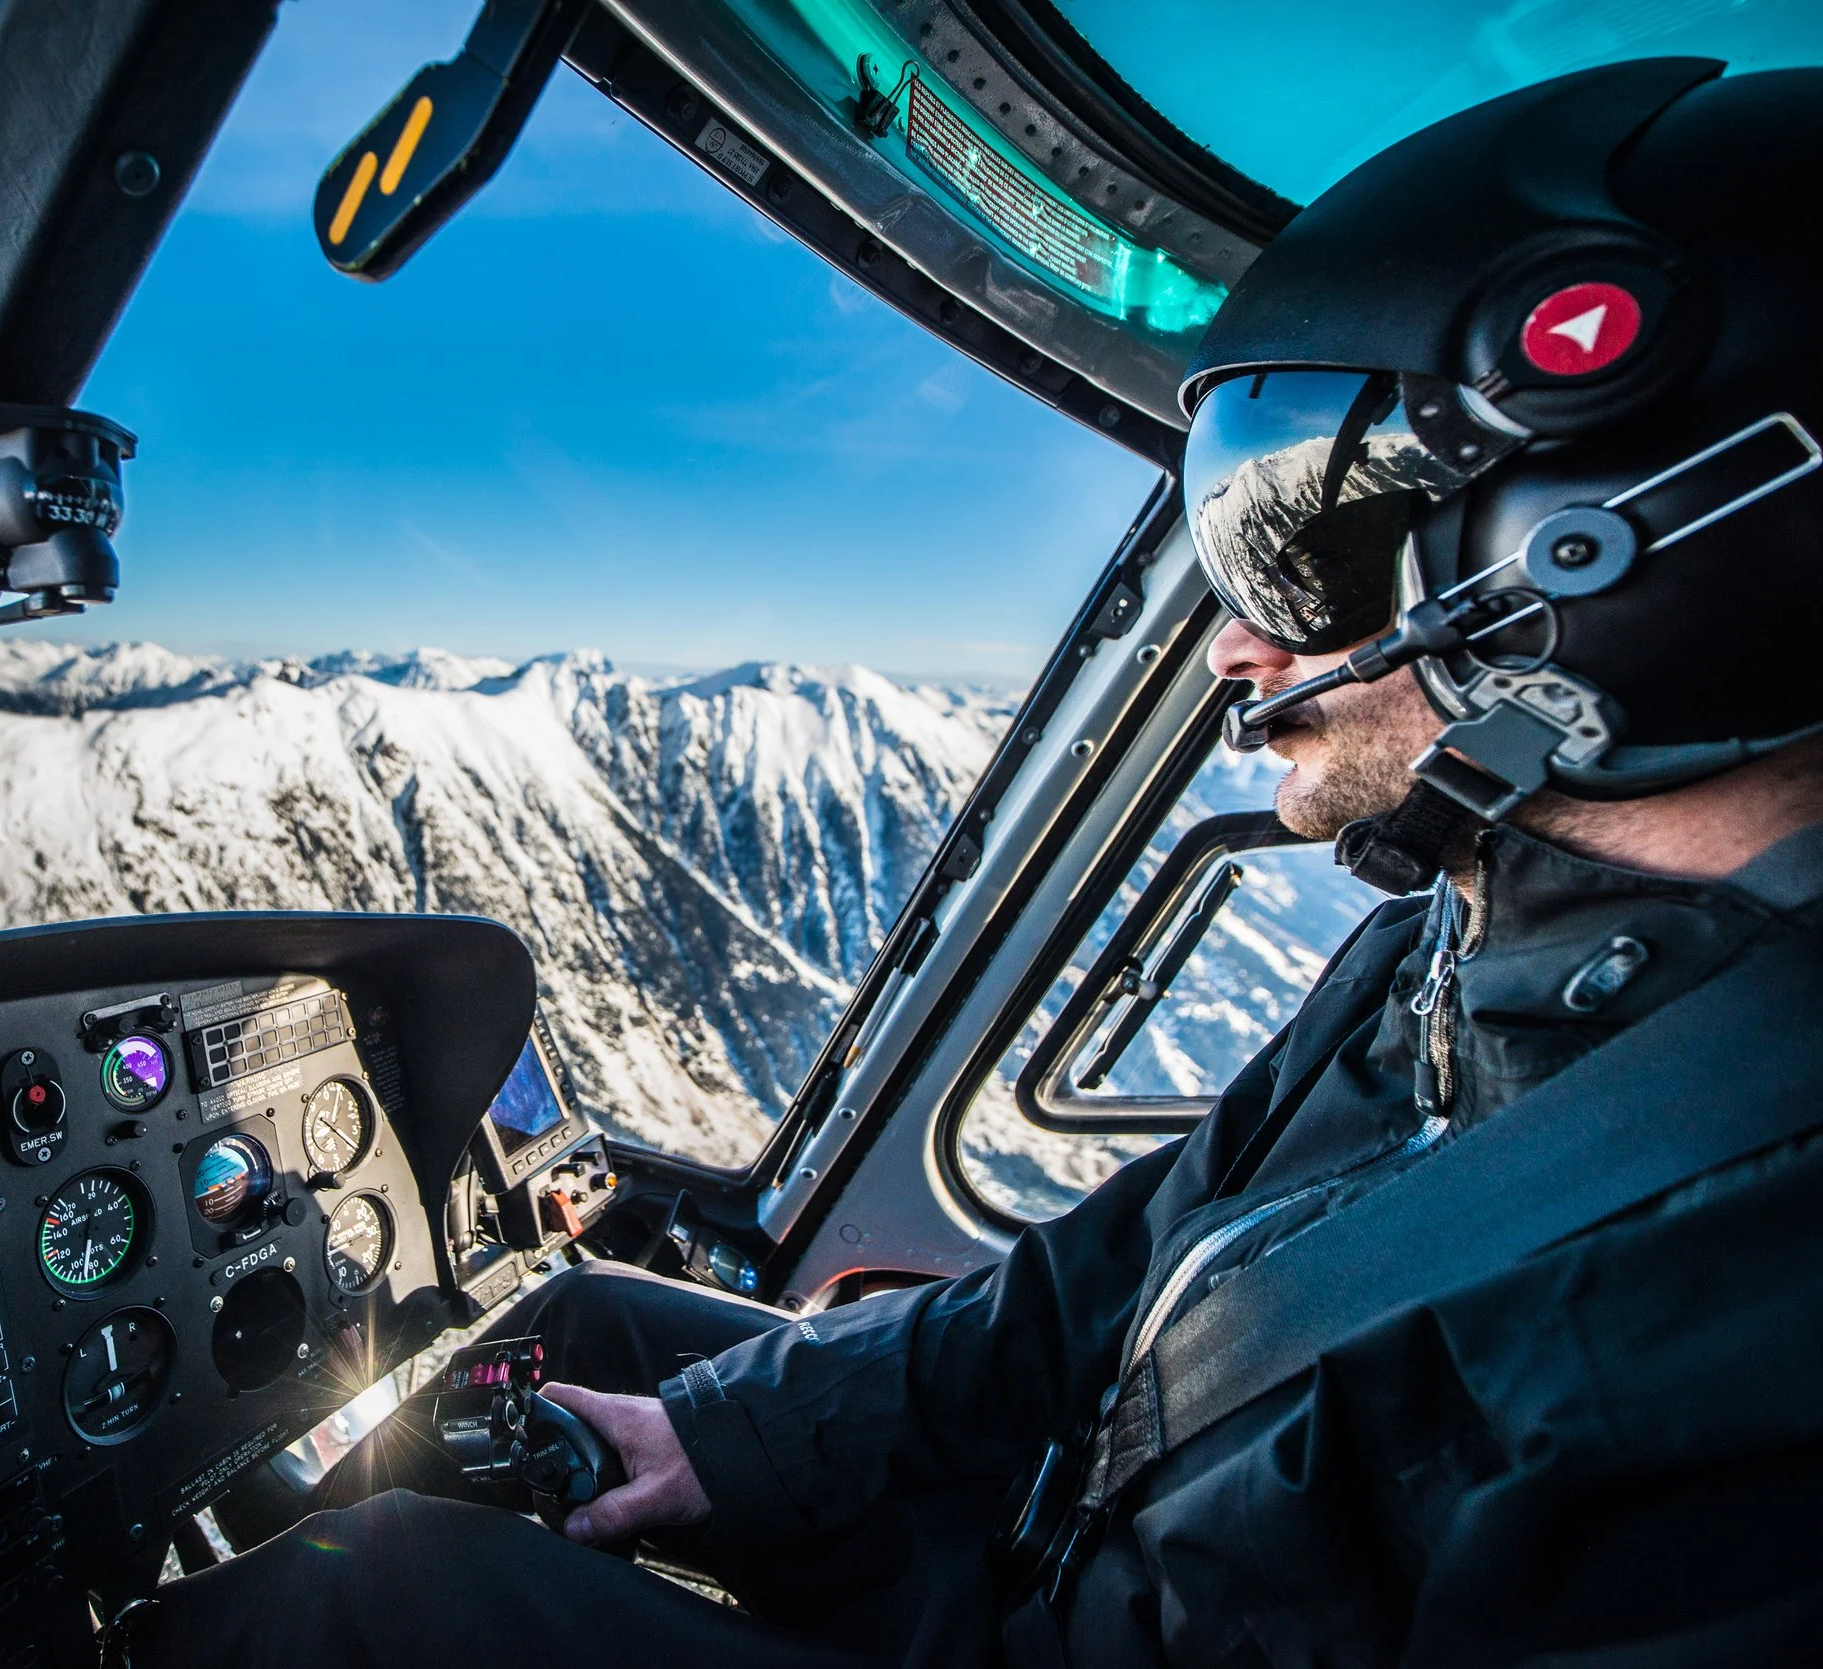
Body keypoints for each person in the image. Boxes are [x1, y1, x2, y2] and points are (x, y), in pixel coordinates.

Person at [124, 58, 1823, 1667]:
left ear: (1598, 553)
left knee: (363, 1609)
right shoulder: (1473, 929)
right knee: (584, 1342)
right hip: (1077, 1544)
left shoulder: (1748, 1281)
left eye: (1297, 556)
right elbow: (1103, 1279)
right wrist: (732, 1443)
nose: (1235, 646)